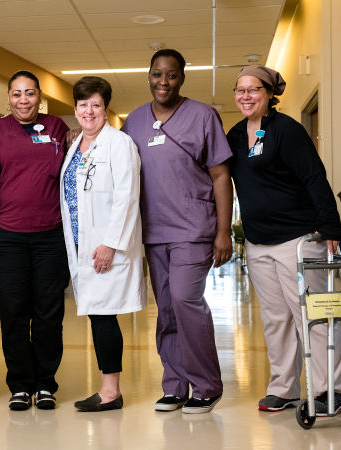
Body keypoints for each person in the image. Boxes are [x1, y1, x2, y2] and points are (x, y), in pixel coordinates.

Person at [227, 66, 341, 415]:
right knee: (275, 318)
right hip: (258, 243)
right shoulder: (235, 134)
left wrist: (330, 228)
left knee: (312, 315)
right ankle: (285, 388)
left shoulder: (287, 130)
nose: (246, 96)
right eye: (240, 90)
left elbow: (314, 177)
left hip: (298, 238)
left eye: (254, 89)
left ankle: (332, 390)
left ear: (269, 93)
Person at [121, 49, 233, 414]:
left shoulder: (202, 115)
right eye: (157, 74)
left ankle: (206, 384)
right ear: (148, 77)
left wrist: (223, 231)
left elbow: (220, 175)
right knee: (167, 309)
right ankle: (175, 384)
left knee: (186, 300)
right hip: (153, 231)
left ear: (182, 78)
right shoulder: (134, 122)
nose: (163, 82)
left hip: (193, 229)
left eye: (171, 75)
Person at [0, 70, 70, 411]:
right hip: (7, 236)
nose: (23, 100)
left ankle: (46, 384)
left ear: (39, 97)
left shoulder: (57, 128)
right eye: (17, 94)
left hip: (50, 234)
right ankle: (20, 384)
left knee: (49, 313)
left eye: (30, 93)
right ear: (8, 98)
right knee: (14, 313)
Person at [60, 76, 146, 412]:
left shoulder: (119, 144)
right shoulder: (75, 145)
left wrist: (110, 244)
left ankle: (111, 391)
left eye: (96, 104)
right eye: (83, 105)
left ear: (105, 108)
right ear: (76, 109)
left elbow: (127, 197)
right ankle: (108, 389)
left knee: (103, 316)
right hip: (81, 242)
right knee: (98, 314)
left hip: (103, 247)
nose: (89, 111)